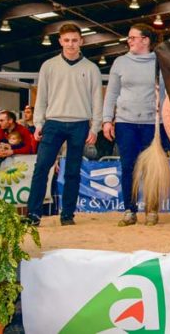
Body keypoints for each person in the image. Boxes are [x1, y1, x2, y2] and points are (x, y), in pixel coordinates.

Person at [26, 23, 102, 226]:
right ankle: (33, 214)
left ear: (81, 41)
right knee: (41, 168)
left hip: (80, 125)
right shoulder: (48, 66)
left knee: (73, 172)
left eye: (74, 40)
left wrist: (95, 128)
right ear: (60, 41)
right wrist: (38, 123)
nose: (70, 44)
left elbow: (97, 101)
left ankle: (67, 215)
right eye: (66, 40)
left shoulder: (91, 68)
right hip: (53, 123)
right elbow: (41, 97)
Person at [103, 23, 170, 227]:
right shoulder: (120, 63)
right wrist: (107, 120)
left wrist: (169, 121)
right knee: (128, 167)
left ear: (145, 40)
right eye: (129, 38)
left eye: (133, 37)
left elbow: (167, 94)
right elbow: (112, 93)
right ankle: (129, 210)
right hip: (126, 123)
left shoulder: (160, 62)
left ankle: (151, 210)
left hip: (153, 124)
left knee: (152, 168)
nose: (129, 41)